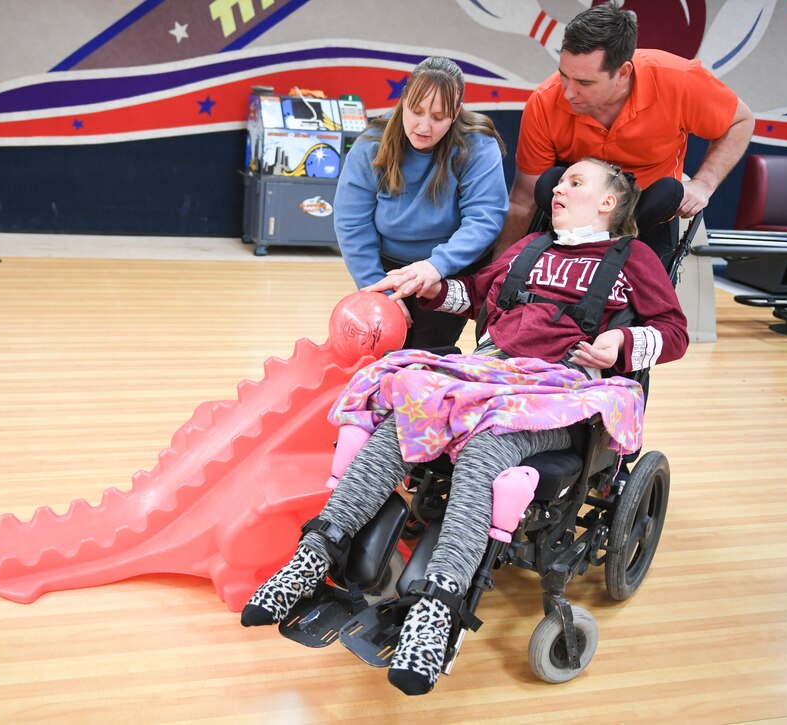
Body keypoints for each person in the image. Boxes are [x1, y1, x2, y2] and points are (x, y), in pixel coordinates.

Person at [241, 158, 689, 695]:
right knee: (407, 422)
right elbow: (472, 295)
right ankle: (314, 556)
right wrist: (427, 286)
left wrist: (622, 343)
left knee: (484, 449)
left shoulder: (633, 259)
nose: (559, 189)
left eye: (575, 182)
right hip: (488, 371)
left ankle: (437, 608)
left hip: (559, 390)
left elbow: (674, 331)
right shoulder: (528, 248)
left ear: (608, 203)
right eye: (561, 181)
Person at [495, 3, 754, 259]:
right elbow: (523, 200)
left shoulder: (677, 79)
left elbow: (740, 121)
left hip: (648, 210)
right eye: (564, 75)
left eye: (585, 82)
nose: (568, 92)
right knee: (547, 186)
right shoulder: (544, 100)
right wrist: (495, 274)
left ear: (623, 72)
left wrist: (704, 184)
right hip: (578, 213)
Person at [335, 55, 509, 350]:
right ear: (403, 100)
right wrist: (378, 288)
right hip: (387, 268)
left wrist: (436, 266)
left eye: (438, 117)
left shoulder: (478, 144)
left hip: (449, 268)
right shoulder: (371, 145)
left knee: (425, 354)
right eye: (416, 111)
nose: (424, 127)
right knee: (380, 352)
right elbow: (352, 223)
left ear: (456, 112)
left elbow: (484, 219)